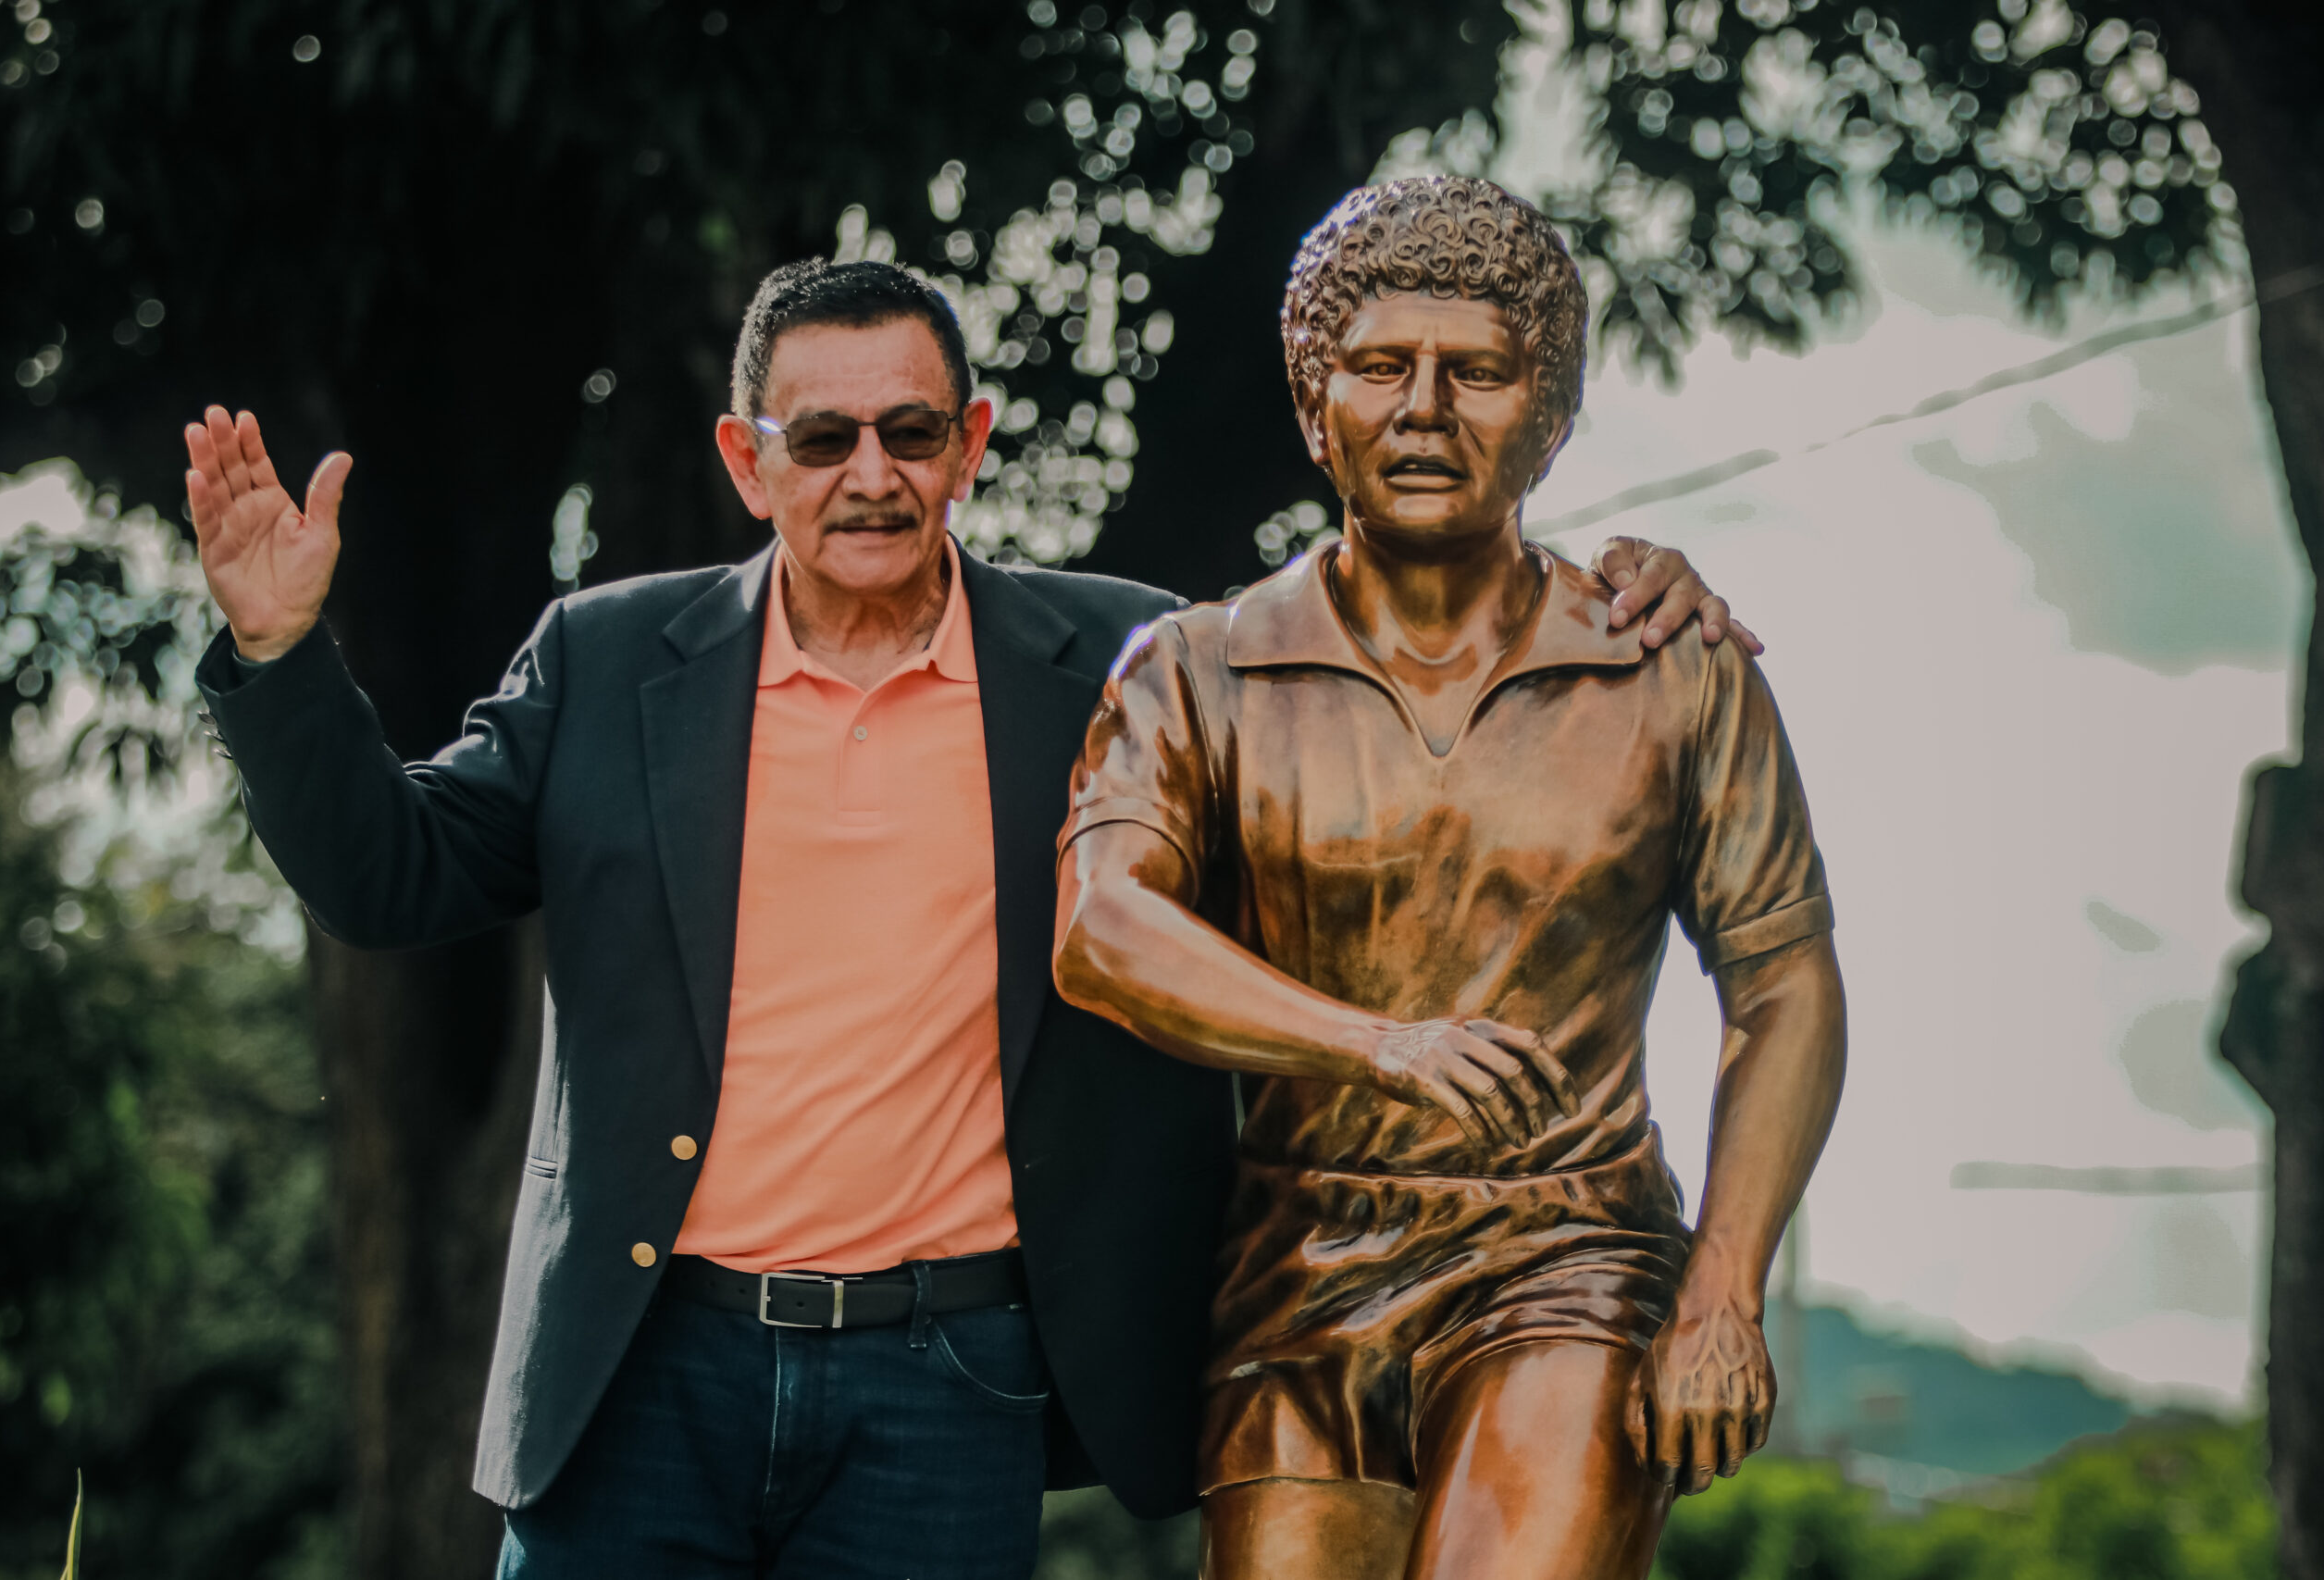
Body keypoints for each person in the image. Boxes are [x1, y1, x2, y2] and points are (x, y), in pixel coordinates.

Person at [186, 256, 1752, 1577]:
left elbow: (1385, 639)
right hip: (641, 1373)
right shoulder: (604, 660)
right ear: (749, 459)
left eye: (910, 432)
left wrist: (1616, 593)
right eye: (822, 439)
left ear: (971, 444)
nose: (869, 474)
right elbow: (387, 878)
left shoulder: (1132, 663)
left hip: (945, 1385)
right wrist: (278, 662)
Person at [1053, 176, 1847, 1580]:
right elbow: (1105, 929)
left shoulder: (1672, 665)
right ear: (1315, 407)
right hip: (1292, 1272)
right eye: (1378, 368)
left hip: (1571, 1255)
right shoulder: (1197, 669)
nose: (1425, 408)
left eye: (1479, 371)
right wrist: (1377, 1045)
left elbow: (1781, 979)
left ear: (1548, 414)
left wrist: (1724, 1285)